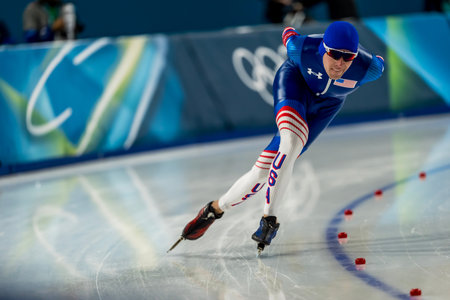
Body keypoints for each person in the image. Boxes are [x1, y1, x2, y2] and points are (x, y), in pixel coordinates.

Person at [168, 21, 385, 254]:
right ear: (323, 48)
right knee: (290, 143)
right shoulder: (302, 48)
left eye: (348, 57)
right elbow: (288, 33)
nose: (340, 63)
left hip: (327, 105)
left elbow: (380, 61)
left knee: (261, 172)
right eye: (334, 54)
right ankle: (269, 220)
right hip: (294, 85)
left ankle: (214, 209)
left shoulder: (368, 68)